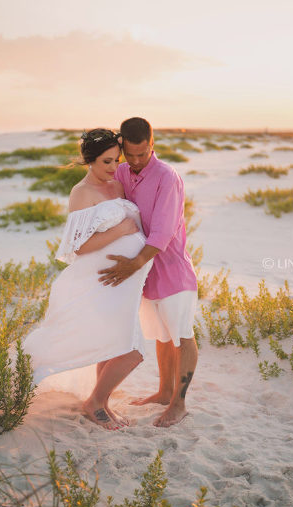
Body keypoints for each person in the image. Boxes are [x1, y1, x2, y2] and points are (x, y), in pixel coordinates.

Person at [20, 128, 154, 430]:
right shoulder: (81, 193)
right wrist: (121, 232)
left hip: (122, 283)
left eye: (115, 160)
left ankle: (100, 400)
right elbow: (78, 247)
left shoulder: (117, 184)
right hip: (98, 282)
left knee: (112, 342)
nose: (113, 167)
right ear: (89, 161)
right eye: (106, 162)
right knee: (131, 352)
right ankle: (95, 402)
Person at [98, 117, 199, 428]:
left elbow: (163, 232)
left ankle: (178, 403)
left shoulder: (168, 177)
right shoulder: (124, 171)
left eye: (143, 153)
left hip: (172, 271)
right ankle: (163, 391)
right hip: (146, 274)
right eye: (131, 154)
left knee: (182, 336)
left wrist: (131, 265)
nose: (137, 161)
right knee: (161, 336)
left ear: (152, 145)